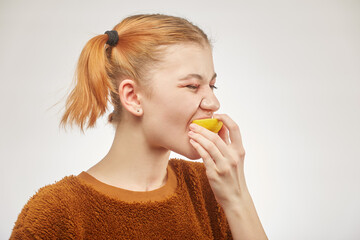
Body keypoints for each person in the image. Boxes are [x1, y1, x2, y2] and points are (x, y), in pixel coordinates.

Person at [10, 13, 267, 239]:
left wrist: (238, 200)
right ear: (132, 97)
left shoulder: (210, 187)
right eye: (192, 86)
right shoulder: (56, 212)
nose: (213, 101)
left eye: (212, 85)